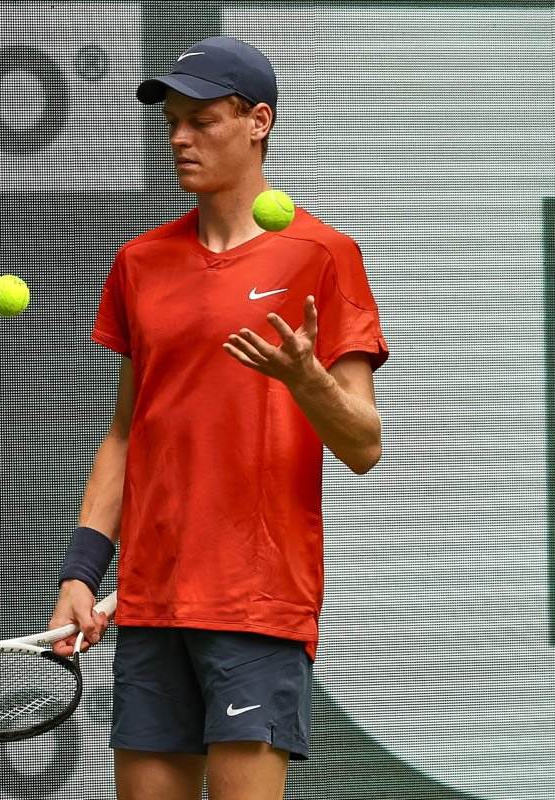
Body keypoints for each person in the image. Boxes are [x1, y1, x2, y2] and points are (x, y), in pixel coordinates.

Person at [48, 35, 388, 800]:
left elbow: (364, 444)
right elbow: (126, 433)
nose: (178, 137)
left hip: (257, 605)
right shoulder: (139, 263)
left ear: (258, 121)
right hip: (149, 602)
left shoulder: (323, 255)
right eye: (172, 120)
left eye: (201, 120)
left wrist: (305, 379)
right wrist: (80, 570)